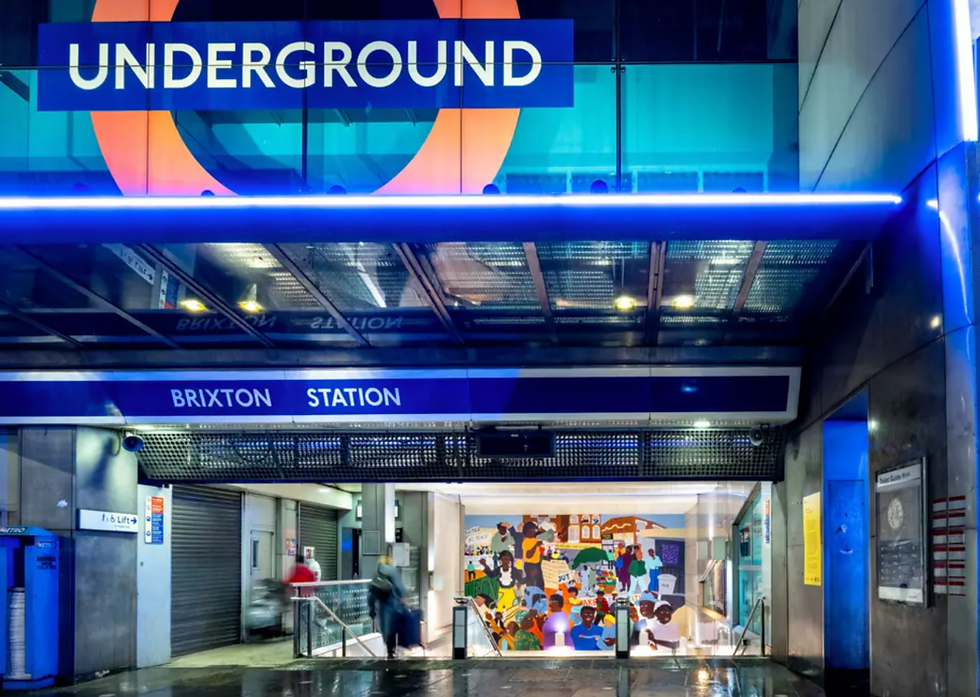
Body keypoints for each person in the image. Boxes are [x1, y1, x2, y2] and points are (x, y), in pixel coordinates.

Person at [368, 555, 407, 659]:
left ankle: (389, 649)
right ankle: (393, 650)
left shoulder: (377, 573)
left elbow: (371, 594)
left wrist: (371, 609)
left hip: (381, 606)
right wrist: (404, 598)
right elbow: (400, 587)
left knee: (385, 628)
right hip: (394, 604)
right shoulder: (393, 572)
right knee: (394, 627)